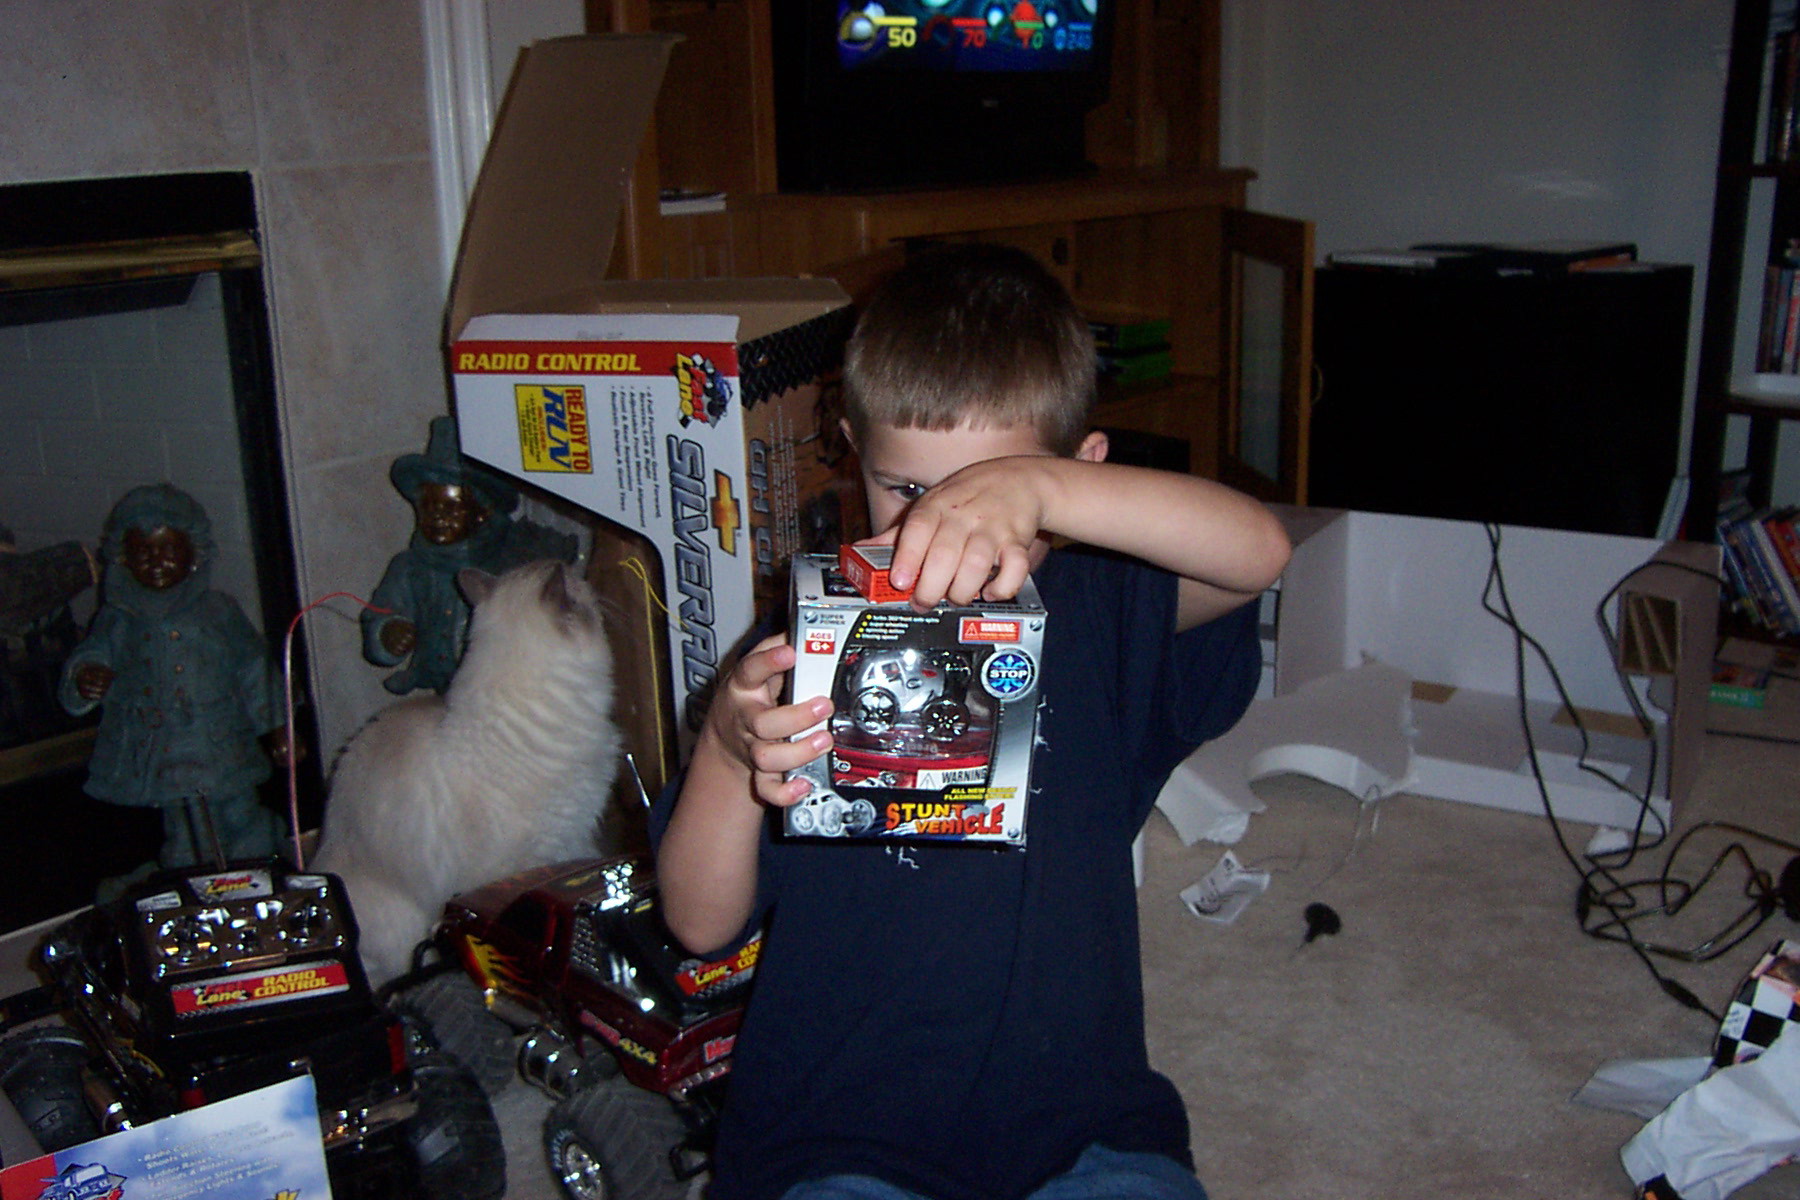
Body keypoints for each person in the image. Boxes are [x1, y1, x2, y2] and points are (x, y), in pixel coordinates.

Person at [654, 243, 1292, 1200]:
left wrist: (1040, 495)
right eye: (909, 492)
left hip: (1083, 1127)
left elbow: (1260, 550)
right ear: (854, 453)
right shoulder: (801, 648)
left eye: (986, 496)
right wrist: (724, 747)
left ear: (1083, 474)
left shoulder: (1104, 607)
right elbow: (699, 924)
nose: (939, 538)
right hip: (837, 1135)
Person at [60, 483, 292, 881]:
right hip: (163, 750)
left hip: (220, 743)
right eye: (143, 551)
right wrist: (85, 677)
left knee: (240, 812)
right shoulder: (118, 617)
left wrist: (277, 727)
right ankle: (195, 884)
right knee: (185, 830)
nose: (156, 561)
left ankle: (257, 868)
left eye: (168, 549)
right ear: (123, 557)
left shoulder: (218, 611)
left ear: (194, 553)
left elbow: (254, 667)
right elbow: (92, 654)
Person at [363, 414, 579, 693]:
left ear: (481, 513)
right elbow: (381, 613)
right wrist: (388, 633)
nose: (437, 516)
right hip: (444, 691)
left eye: (451, 508)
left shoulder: (509, 558)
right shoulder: (409, 567)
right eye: (429, 506)